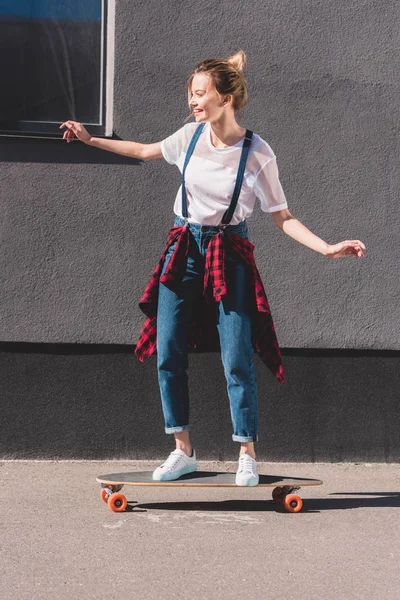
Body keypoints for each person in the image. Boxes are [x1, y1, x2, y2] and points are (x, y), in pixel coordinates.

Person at [60, 50, 366, 486]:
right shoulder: (189, 136)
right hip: (183, 246)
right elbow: (145, 151)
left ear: (226, 98)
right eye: (191, 94)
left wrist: (326, 248)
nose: (193, 102)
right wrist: (92, 141)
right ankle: (182, 449)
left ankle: (246, 452)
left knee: (236, 354)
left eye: (200, 94)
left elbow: (283, 216)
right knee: (168, 350)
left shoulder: (257, 152)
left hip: (230, 250)